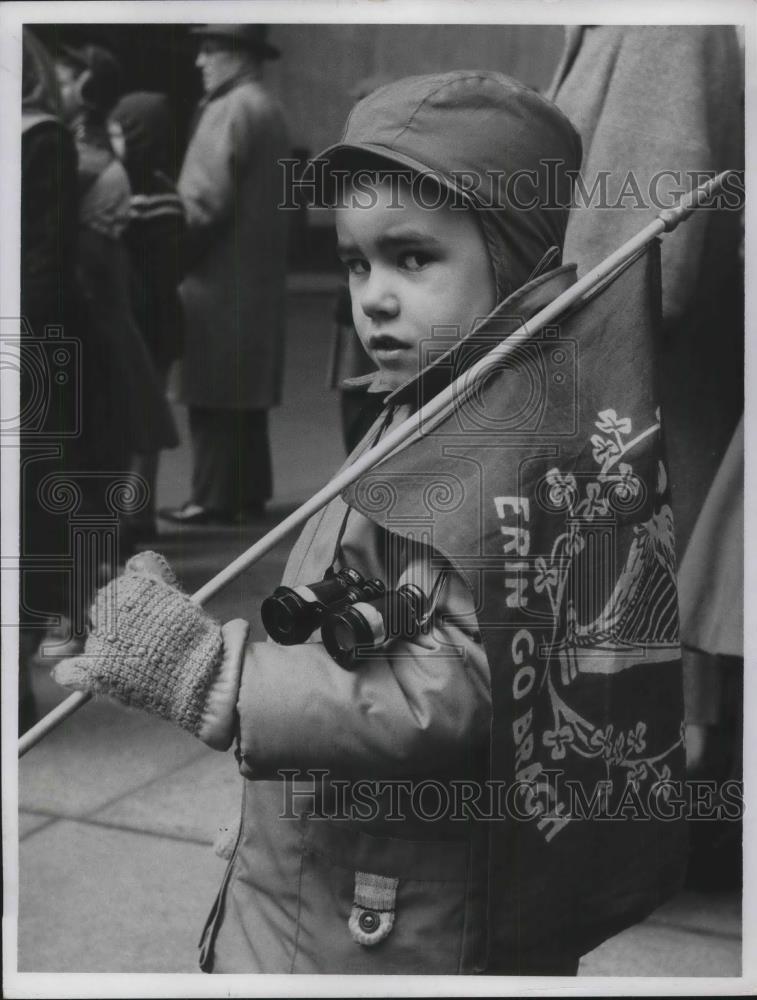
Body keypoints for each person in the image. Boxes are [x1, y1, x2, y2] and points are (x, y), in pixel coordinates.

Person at [53, 72, 686, 975]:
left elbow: (469, 684)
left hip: (395, 928)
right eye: (355, 262)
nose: (373, 296)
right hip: (321, 869)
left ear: (515, 262)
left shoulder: (514, 453)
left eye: (411, 258)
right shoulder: (418, 402)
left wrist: (215, 677)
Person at [160, 24, 289, 526]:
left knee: (212, 391)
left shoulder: (227, 109)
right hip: (257, 275)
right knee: (246, 395)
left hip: (218, 277)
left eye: (210, 49)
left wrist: (166, 251)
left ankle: (212, 498)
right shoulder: (269, 106)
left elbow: (202, 204)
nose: (200, 60)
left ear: (239, 55)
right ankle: (248, 493)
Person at [53, 44, 179, 513]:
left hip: (106, 307)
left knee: (101, 432)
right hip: (116, 306)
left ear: (86, 88)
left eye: (66, 79)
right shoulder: (87, 151)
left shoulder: (80, 155)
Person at [109, 92, 187, 543]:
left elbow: (157, 270)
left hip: (145, 324)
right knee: (145, 418)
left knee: (137, 419)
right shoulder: (164, 190)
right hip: (159, 322)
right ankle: (138, 511)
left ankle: (133, 515)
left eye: (122, 129)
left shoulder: (141, 193)